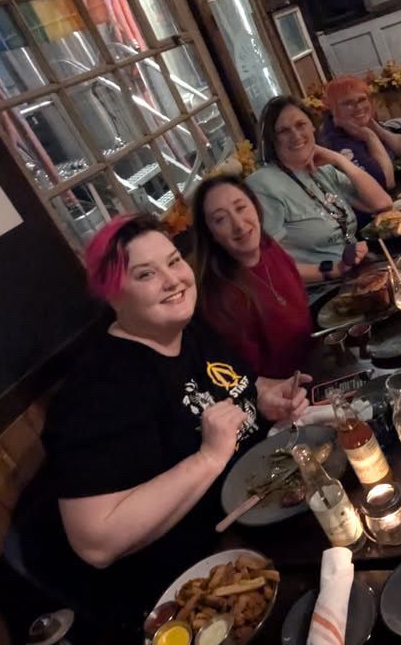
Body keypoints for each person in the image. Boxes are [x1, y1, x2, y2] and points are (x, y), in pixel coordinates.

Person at [38, 214, 310, 630]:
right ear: (114, 295)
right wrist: (207, 458)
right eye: (146, 274)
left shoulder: (189, 329)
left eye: (173, 261)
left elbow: (237, 387)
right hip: (210, 578)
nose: (173, 280)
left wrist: (264, 399)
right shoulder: (97, 392)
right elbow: (96, 542)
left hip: (271, 504)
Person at [247, 95, 393, 284]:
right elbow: (269, 264)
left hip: (359, 274)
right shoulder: (262, 185)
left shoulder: (323, 170)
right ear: (272, 140)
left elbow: (382, 203)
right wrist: (334, 270)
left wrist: (339, 160)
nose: (296, 135)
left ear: (312, 127)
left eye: (301, 125)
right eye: (283, 131)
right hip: (322, 288)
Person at [192, 175, 312, 379]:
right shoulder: (222, 298)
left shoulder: (267, 246)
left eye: (240, 208)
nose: (239, 225)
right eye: (220, 219)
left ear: (255, 206)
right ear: (211, 234)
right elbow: (250, 379)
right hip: (291, 389)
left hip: (318, 359)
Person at [319, 75, 401, 192]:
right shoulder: (335, 140)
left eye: (362, 100)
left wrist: (377, 129)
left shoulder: (359, 122)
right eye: (348, 103)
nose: (358, 107)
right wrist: (370, 137)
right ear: (333, 109)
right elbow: (386, 182)